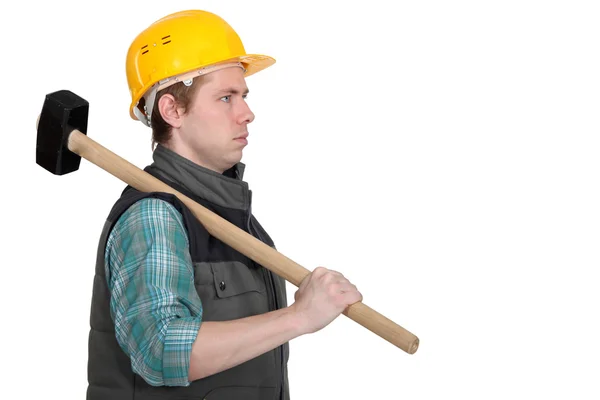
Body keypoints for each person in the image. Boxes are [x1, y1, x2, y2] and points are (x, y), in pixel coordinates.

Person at [86, 9, 363, 400]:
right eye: (226, 97)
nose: (247, 113)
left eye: (244, 96)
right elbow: (162, 350)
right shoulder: (155, 215)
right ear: (172, 110)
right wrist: (299, 317)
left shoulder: (237, 223)